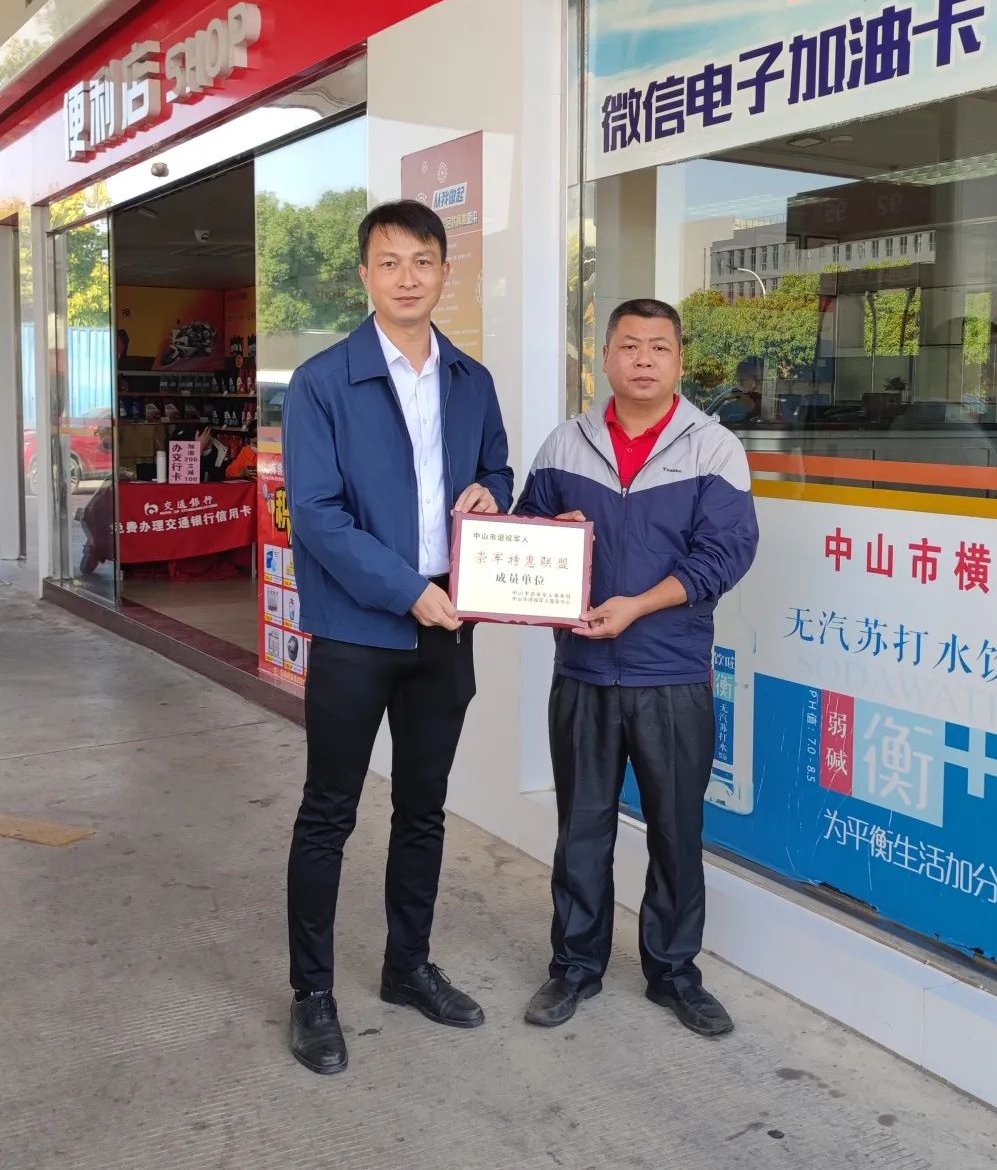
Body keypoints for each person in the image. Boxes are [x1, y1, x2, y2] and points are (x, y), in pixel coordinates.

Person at [282, 199, 513, 1075]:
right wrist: (407, 590)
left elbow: (496, 467)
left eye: (422, 261)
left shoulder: (471, 380)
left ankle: (406, 965)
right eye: (389, 262)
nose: (407, 277)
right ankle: (311, 993)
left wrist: (493, 493)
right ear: (364, 276)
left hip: (446, 628)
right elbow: (317, 514)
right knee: (328, 812)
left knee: (423, 806)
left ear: (446, 271)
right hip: (356, 629)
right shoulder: (322, 382)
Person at [514, 298, 758, 1036]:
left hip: (672, 675)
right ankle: (574, 966)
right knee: (581, 829)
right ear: (606, 358)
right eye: (629, 345)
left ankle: (674, 973)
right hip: (583, 672)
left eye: (659, 346)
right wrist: (548, 531)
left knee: (676, 832)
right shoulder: (565, 444)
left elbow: (726, 554)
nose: (644, 358)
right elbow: (522, 535)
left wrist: (639, 605)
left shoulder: (713, 448)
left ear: (680, 361)